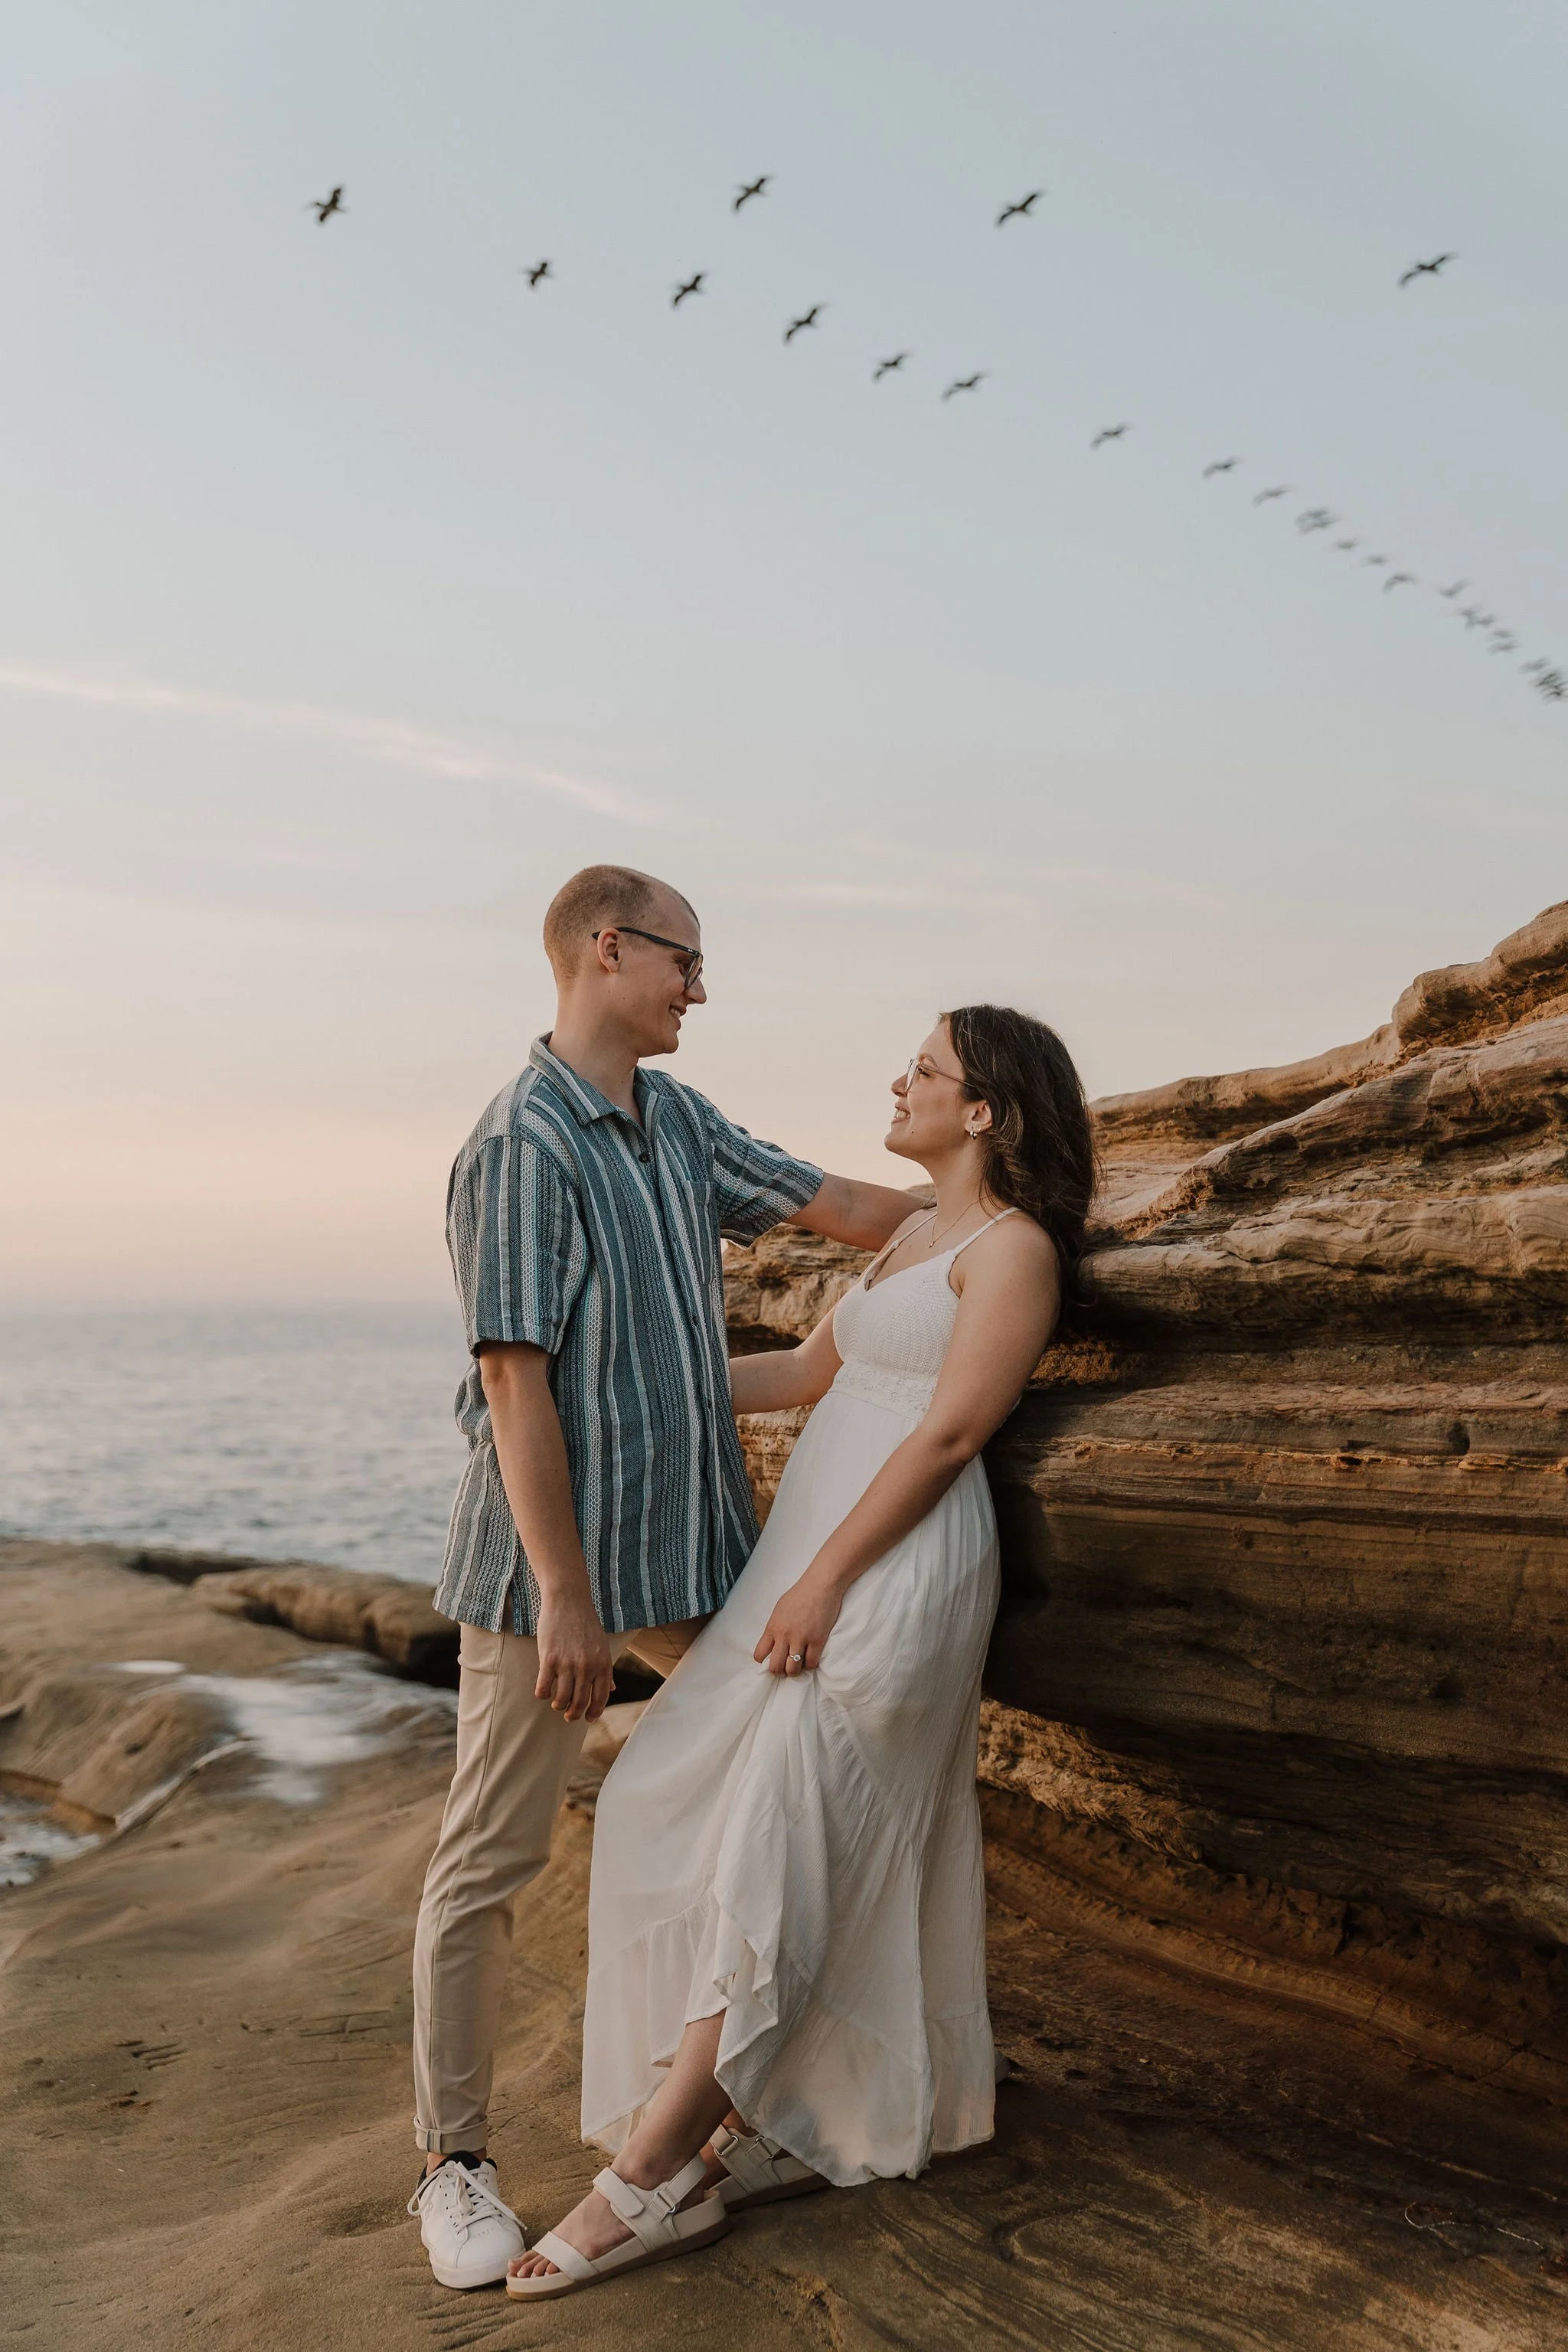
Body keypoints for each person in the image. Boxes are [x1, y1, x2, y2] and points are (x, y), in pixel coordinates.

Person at [507, 1003, 1095, 2299]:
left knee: (788, 1831)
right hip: (811, 1560)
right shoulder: (915, 1236)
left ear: (985, 1110)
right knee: (672, 1792)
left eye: (925, 1070)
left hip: (895, 1570)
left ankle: (653, 2173)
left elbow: (947, 1438)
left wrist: (828, 1578)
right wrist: (591, 1381)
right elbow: (800, 1376)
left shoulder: (1013, 1252)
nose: (900, 1081)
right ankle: (747, 2117)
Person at [407, 864, 918, 2291]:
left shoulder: (676, 1119)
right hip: (543, 1575)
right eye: (687, 960)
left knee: (794, 1789)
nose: (702, 987)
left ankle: (717, 2113)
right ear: (605, 948)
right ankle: (452, 2166)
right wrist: (565, 1596)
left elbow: (842, 1206)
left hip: (697, 1561)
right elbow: (515, 1388)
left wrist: (1012, 1215)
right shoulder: (519, 1145)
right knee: (489, 1861)